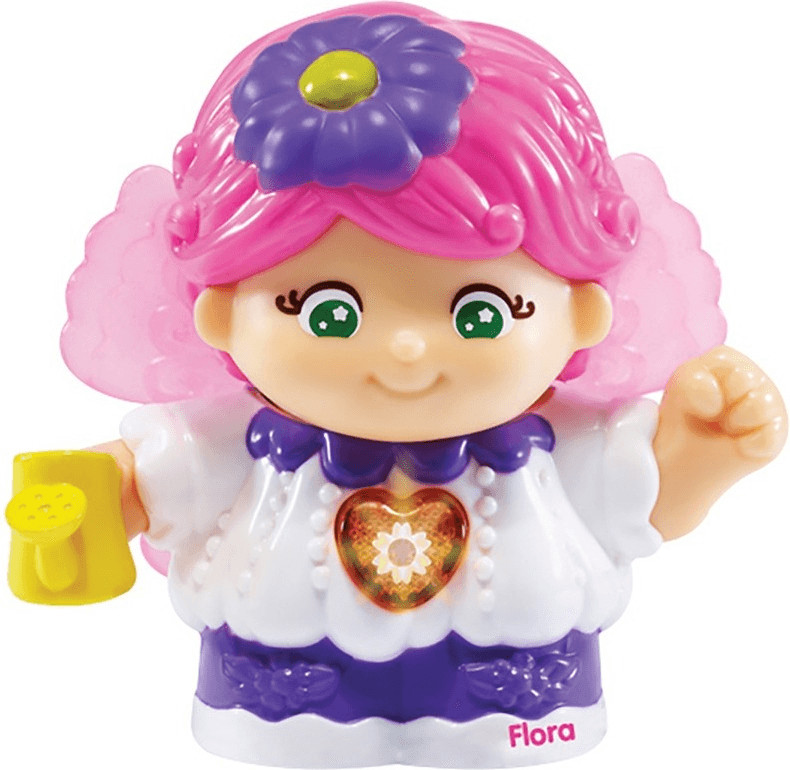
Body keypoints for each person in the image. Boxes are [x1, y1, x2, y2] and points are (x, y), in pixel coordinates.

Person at [19, 2, 786, 766]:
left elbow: (645, 505)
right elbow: (146, 482)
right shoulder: (226, 442)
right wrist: (86, 501)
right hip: (282, 690)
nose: (408, 348)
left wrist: (706, 450)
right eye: (328, 314)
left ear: (584, 313)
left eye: (481, 313)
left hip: (514, 692)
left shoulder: (571, 442)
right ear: (219, 314)